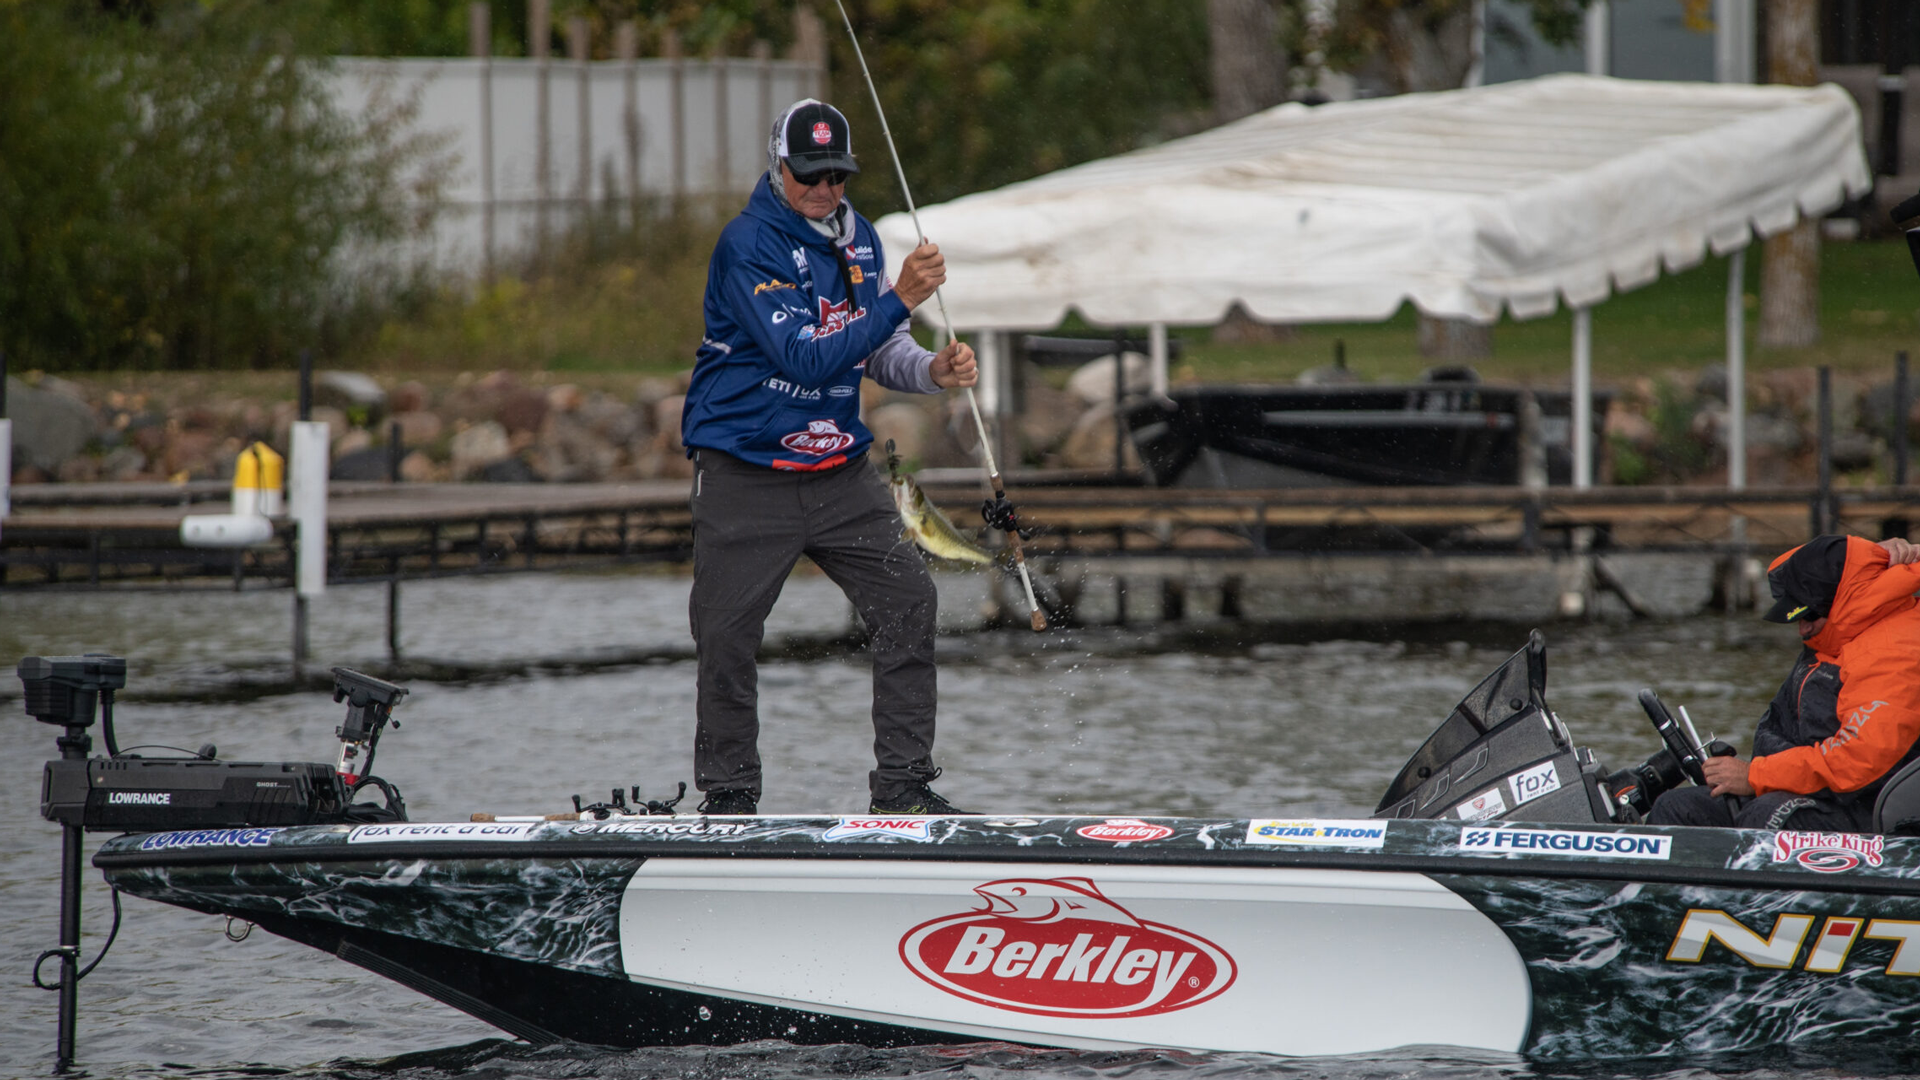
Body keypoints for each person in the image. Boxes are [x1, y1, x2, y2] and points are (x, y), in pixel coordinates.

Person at [680, 99, 977, 817]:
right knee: (727, 637)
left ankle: (903, 789)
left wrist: (929, 371)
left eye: (837, 176)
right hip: (744, 471)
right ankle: (729, 801)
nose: (824, 189)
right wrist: (902, 299)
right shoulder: (747, 243)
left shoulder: (862, 239)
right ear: (779, 167)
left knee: (910, 602)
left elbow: (872, 346)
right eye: (809, 174)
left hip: (839, 472)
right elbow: (805, 358)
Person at [1648, 534, 1920, 831]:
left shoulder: (1894, 651)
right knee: (1677, 808)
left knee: (1765, 816)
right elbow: (1828, 563)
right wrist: (1868, 558)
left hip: (1875, 813)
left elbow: (1858, 761)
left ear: (1844, 601)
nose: (1801, 627)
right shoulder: (1837, 638)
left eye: (1809, 615)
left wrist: (1754, 776)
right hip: (1810, 791)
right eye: (1796, 617)